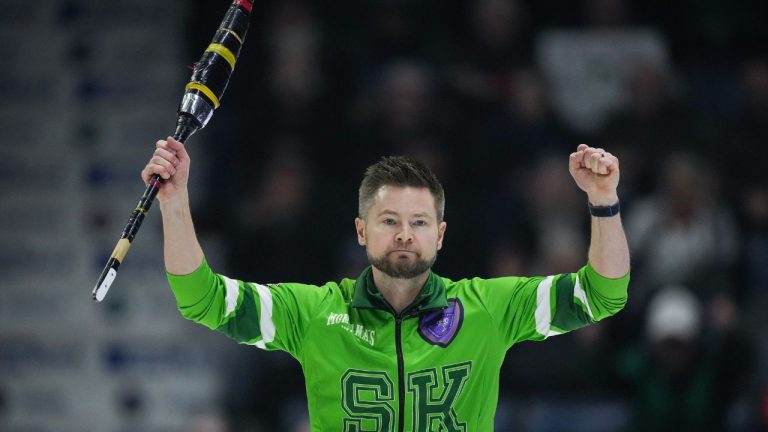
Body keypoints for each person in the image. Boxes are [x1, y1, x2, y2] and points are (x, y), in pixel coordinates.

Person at [142, 138, 630, 431]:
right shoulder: (313, 313)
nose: (403, 234)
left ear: (439, 235)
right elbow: (200, 298)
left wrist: (603, 201)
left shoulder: (487, 308)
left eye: (419, 222)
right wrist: (174, 201)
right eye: (388, 220)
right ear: (361, 231)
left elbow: (603, 293)